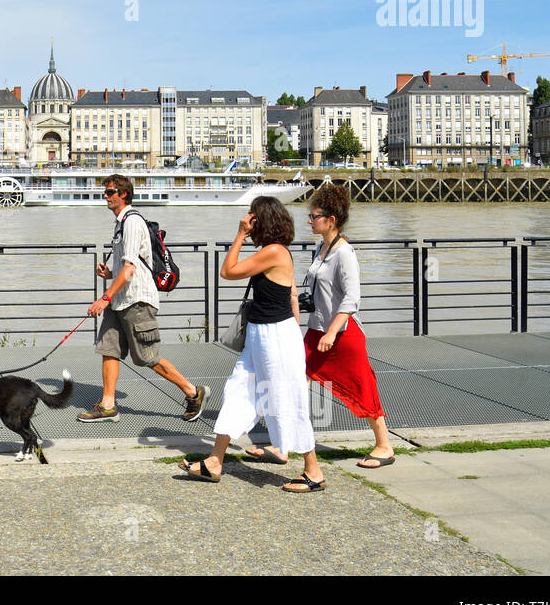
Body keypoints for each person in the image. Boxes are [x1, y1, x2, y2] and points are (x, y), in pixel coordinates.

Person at [182, 196, 323, 492]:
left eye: (252, 217)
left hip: (275, 337)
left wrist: (240, 234)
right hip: (263, 335)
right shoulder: (274, 252)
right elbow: (292, 296)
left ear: (262, 220)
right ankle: (215, 462)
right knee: (237, 391)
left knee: (286, 399)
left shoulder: (274, 252)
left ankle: (313, 471)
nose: (248, 221)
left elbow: (228, 271)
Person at [78, 174, 206, 423]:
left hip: (136, 301)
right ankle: (107, 405)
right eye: (105, 192)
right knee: (109, 350)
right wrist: (110, 274)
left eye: (110, 192)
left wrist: (104, 297)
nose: (105, 196)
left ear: (123, 194)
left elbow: (130, 269)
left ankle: (193, 392)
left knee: (147, 357)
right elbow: (127, 266)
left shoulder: (133, 222)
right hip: (120, 300)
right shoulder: (120, 224)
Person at [290, 183, 393, 472]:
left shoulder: (344, 252)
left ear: (331, 220)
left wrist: (333, 331)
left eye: (314, 216)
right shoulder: (320, 248)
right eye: (310, 216)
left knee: (361, 388)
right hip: (317, 330)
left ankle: (384, 445)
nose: (309, 221)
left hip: (343, 335)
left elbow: (352, 298)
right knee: (295, 380)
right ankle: (283, 442)